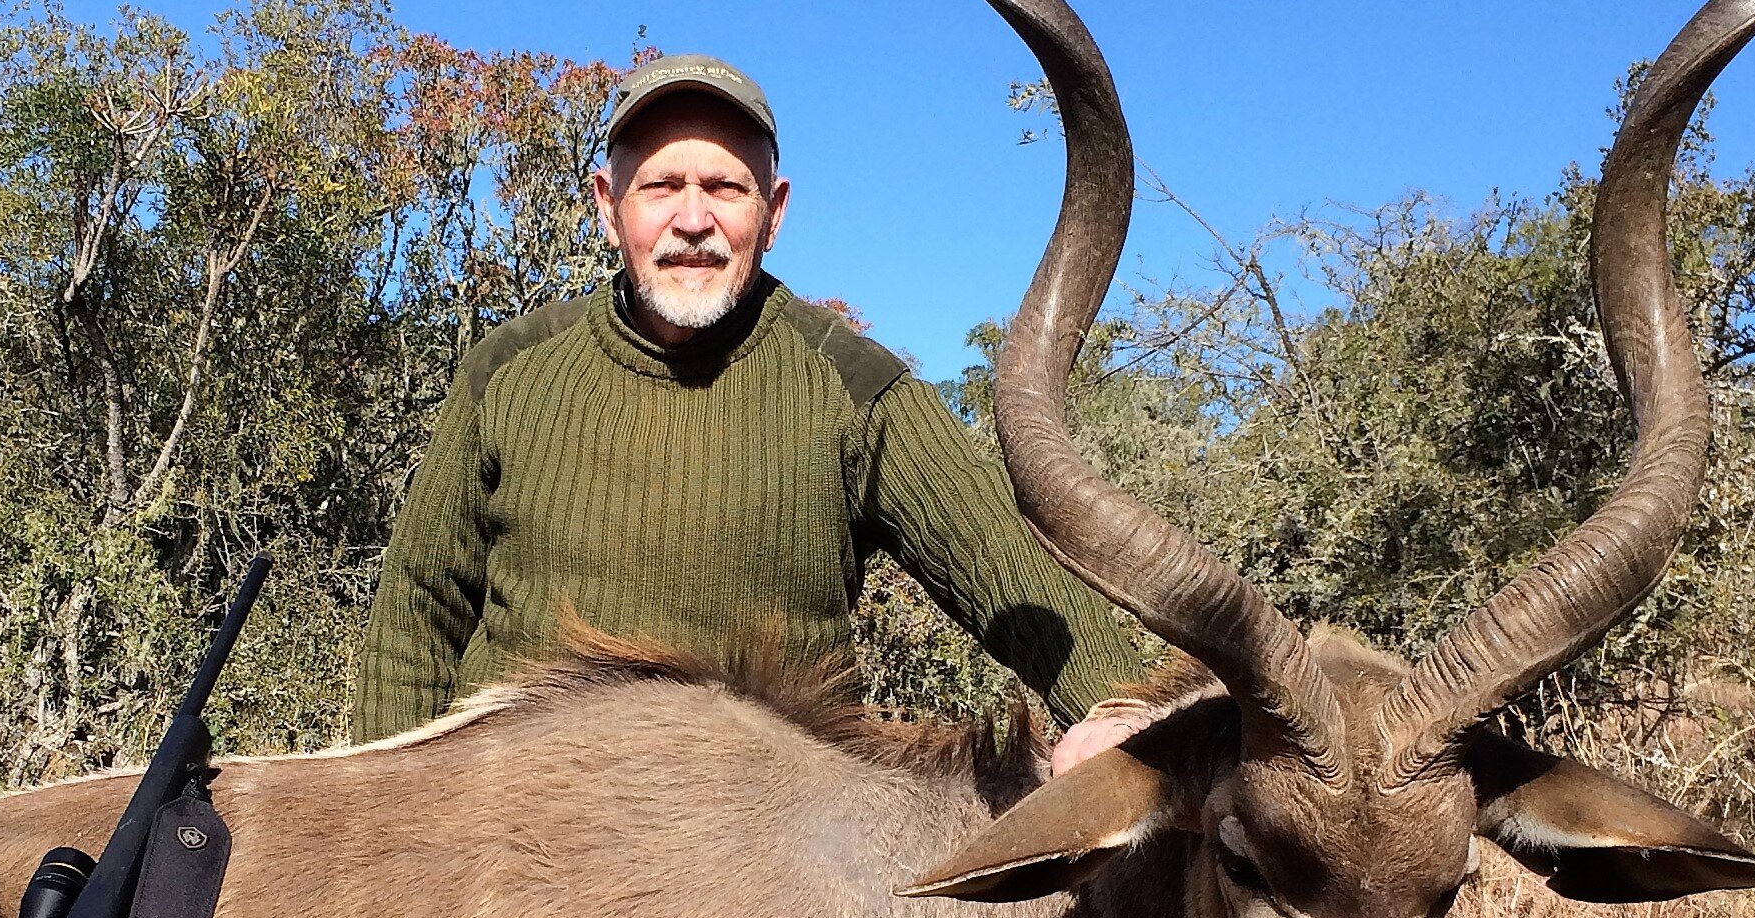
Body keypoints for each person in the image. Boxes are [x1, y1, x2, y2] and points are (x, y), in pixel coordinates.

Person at [347, 53, 1162, 764]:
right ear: (607, 206)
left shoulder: (849, 383)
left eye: (725, 188)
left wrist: (1121, 707)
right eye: (661, 185)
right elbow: (417, 616)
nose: (693, 219)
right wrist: (380, 828)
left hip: (765, 863)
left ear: (772, 212)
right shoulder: (512, 369)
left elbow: (1000, 557)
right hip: (513, 832)